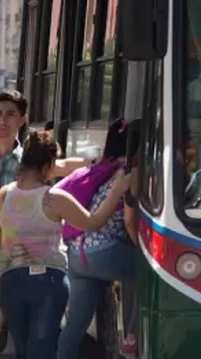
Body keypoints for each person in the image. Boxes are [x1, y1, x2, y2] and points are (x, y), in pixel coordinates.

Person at [0, 130, 133, 359]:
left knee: (23, 350)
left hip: (11, 282)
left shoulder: (3, 195)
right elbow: (93, 222)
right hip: (48, 282)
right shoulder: (54, 198)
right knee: (42, 349)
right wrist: (117, 190)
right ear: (49, 166)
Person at [0, 90, 92, 357]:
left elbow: (60, 166)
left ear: (22, 119)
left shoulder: (26, 160)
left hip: (12, 258)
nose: (2, 120)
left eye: (10, 115)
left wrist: (95, 163)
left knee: (20, 334)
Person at [57, 120, 139, 359]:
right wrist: (138, 247)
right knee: (146, 271)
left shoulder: (102, 169)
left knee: (74, 327)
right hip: (105, 252)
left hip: (77, 253)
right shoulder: (130, 173)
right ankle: (132, 337)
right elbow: (129, 221)